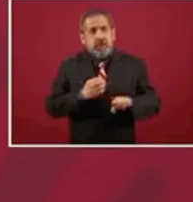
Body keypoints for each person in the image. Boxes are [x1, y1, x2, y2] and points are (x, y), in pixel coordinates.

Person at [45, 8, 161, 144]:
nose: (99, 36)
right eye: (93, 31)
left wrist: (130, 103)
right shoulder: (68, 66)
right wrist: (82, 95)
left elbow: (153, 102)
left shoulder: (134, 64)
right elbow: (52, 106)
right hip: (81, 149)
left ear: (113, 34)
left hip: (123, 149)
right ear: (83, 38)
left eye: (104, 29)